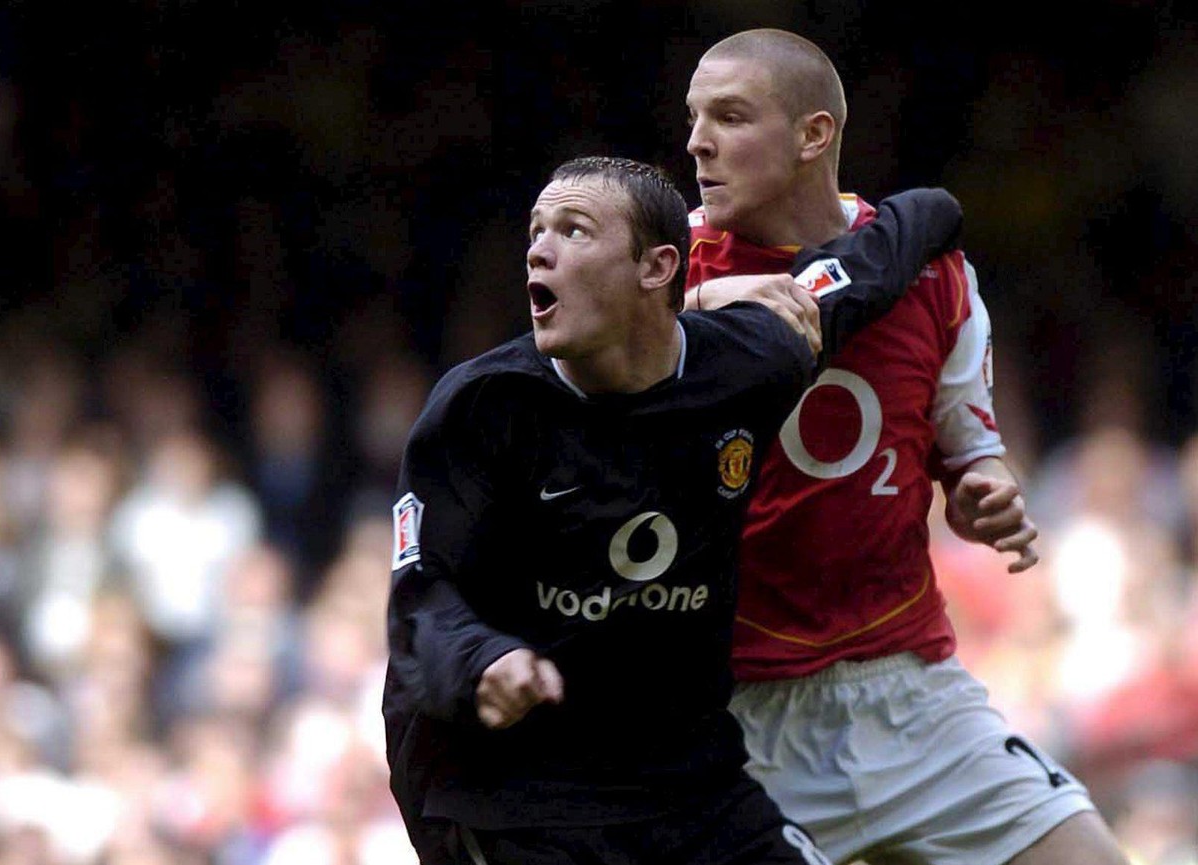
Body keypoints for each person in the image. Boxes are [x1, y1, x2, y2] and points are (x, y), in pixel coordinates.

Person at [382, 154, 962, 865]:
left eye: (573, 229)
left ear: (657, 267)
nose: (538, 247)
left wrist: (934, 206)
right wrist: (485, 660)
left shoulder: (749, 360)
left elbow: (861, 272)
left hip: (686, 785)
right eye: (536, 230)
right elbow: (420, 597)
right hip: (513, 794)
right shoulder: (482, 408)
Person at [681, 28, 1129, 865]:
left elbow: (968, 443)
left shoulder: (933, 272)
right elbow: (572, 349)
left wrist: (984, 486)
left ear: (814, 136)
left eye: (730, 116)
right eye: (694, 117)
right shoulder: (669, 266)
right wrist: (711, 300)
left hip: (906, 690)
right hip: (732, 712)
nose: (697, 141)